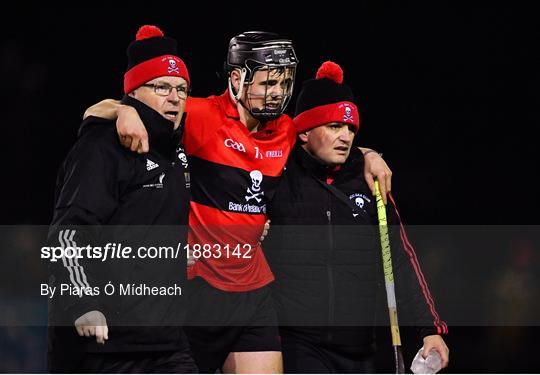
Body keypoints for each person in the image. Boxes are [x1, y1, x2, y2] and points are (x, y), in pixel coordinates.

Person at [84, 31, 392, 373]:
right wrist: (123, 110)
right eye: (267, 83)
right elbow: (100, 111)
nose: (277, 93)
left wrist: (369, 154)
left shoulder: (286, 131)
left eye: (283, 82)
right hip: (198, 289)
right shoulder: (200, 115)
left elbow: (322, 137)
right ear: (236, 78)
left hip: (253, 292)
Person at [265, 61, 450, 373]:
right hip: (297, 343)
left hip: (359, 348)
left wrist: (430, 329)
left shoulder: (369, 182)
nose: (346, 137)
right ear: (305, 132)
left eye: (351, 128)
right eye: (334, 126)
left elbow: (400, 259)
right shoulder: (278, 177)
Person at [47, 25, 196, 373]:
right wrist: (83, 302)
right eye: (161, 87)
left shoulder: (177, 152)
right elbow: (69, 232)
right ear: (133, 93)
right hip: (104, 347)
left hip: (168, 344)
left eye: (182, 89)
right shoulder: (100, 149)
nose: (174, 97)